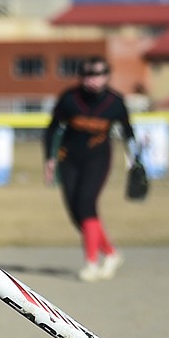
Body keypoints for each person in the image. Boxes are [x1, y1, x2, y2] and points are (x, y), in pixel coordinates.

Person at [43, 56, 137, 282]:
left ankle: (91, 263)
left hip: (98, 158)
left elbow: (128, 132)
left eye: (98, 74)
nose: (93, 80)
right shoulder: (70, 99)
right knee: (77, 213)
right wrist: (49, 158)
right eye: (88, 75)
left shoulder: (115, 102)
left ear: (106, 76)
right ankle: (111, 253)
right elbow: (52, 128)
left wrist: (135, 160)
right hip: (68, 158)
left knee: (86, 203)